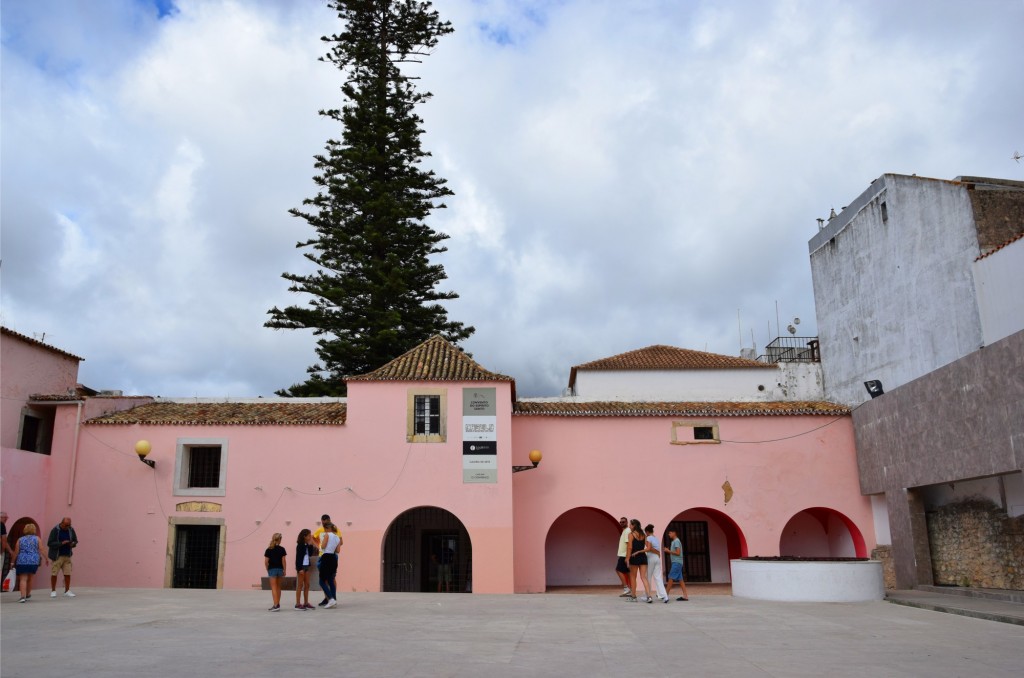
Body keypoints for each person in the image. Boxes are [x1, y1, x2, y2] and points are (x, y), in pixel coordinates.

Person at [12, 523, 48, 602]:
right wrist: (46, 558)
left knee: (23, 579)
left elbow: (16, 552)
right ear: (34, 530)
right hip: (33, 561)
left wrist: (12, 562)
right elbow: (41, 549)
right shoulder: (37, 539)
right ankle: (28, 594)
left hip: (22, 561)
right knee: (30, 578)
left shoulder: (20, 539)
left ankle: (22, 597)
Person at [47, 516, 79, 598]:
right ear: (61, 523)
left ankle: (67, 590)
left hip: (67, 555)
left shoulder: (71, 530)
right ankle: (53, 591)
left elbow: (76, 540)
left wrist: (73, 544)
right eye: (66, 525)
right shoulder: (55, 530)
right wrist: (61, 543)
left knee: (67, 574)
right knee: (54, 573)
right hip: (57, 556)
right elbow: (50, 543)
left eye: (69, 525)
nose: (67, 527)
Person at [625, 519, 652, 602]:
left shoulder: (631, 535)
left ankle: (633, 597)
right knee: (644, 577)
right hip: (643, 557)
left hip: (634, 557)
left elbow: (629, 547)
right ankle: (649, 596)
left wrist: (627, 558)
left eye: (630, 525)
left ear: (634, 526)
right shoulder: (644, 535)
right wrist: (640, 551)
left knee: (633, 577)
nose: (629, 526)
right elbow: (648, 548)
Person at [318, 522, 342, 609]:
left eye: (325, 529)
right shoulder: (337, 537)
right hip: (333, 558)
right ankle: (334, 599)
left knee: (321, 581)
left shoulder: (327, 535)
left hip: (326, 557)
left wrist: (322, 545)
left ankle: (331, 599)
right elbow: (338, 550)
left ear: (327, 529)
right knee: (331, 580)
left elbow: (323, 546)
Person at [643, 524, 669, 603]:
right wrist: (657, 553)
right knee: (658, 578)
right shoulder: (655, 538)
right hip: (657, 558)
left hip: (651, 558)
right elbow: (655, 549)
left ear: (647, 532)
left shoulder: (648, 538)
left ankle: (647, 595)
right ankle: (664, 596)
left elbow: (649, 548)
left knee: (648, 578)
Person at [294, 529, 318, 610]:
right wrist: (299, 568)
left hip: (307, 566)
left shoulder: (306, 545)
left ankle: (306, 603)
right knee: (300, 585)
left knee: (307, 585)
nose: (310, 536)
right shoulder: (300, 545)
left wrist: (311, 545)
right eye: (308, 535)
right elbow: (298, 558)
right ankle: (297, 604)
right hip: (301, 567)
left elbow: (310, 554)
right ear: (304, 536)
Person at [311, 514, 332, 606]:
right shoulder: (320, 530)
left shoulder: (334, 530)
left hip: (331, 555)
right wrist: (318, 546)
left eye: (326, 522)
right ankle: (327, 598)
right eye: (323, 523)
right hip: (322, 556)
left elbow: (340, 541)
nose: (324, 524)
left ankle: (331, 597)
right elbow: (313, 537)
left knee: (331, 578)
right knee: (324, 579)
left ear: (329, 520)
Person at [663, 528, 689, 601]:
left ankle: (666, 594)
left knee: (671, 577)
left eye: (670, 533)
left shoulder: (676, 541)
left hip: (677, 563)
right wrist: (669, 551)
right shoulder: (674, 541)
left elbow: (678, 553)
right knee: (680, 579)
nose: (669, 534)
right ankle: (685, 596)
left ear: (674, 533)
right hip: (677, 562)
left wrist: (668, 551)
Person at [264, 533, 286, 611]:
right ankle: (278, 604)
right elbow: (284, 561)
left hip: (272, 569)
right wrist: (284, 570)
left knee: (273, 587)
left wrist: (267, 569)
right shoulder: (282, 549)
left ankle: (275, 605)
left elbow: (266, 561)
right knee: (279, 587)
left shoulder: (268, 549)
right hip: (280, 569)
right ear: (279, 540)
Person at [615, 516, 631, 597]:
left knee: (618, 570)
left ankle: (626, 588)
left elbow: (629, 544)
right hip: (624, 555)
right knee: (628, 572)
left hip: (624, 555)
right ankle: (630, 589)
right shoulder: (624, 531)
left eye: (623, 522)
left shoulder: (627, 531)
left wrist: (627, 557)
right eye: (620, 522)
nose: (621, 523)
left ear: (627, 522)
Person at [1, 511, 13, 591]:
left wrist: (10, 551)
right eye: (5, 518)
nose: (6, 519)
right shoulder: (1, 525)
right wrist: (2, 551)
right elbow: (4, 540)